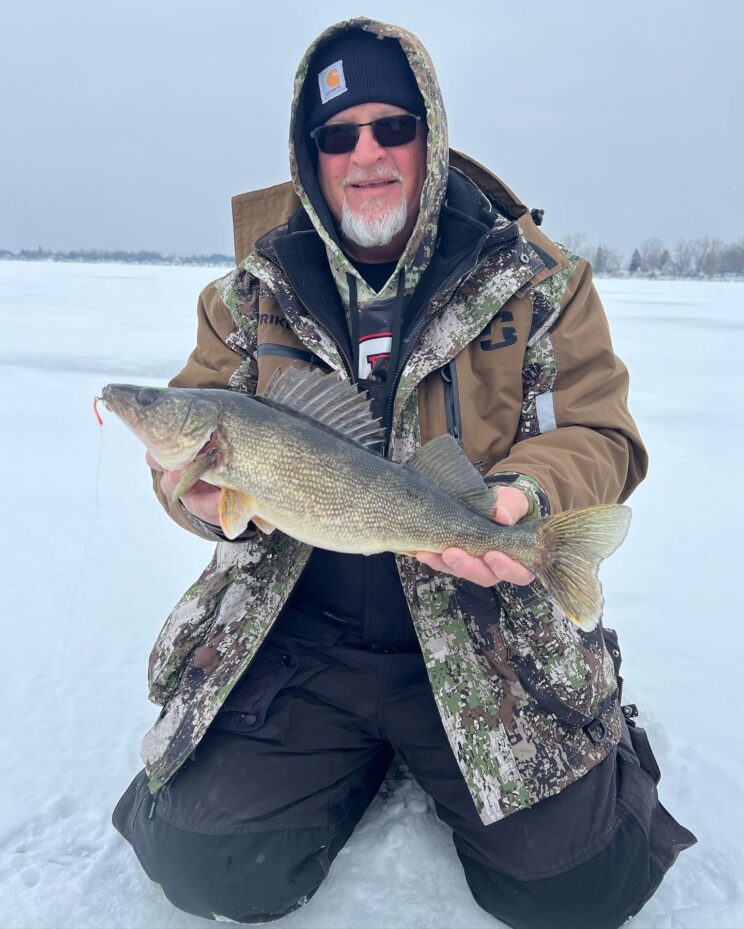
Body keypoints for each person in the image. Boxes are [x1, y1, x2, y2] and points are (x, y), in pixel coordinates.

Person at [112, 17, 695, 929]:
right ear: (311, 157)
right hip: (303, 636)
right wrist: (185, 491)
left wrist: (525, 499)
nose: (367, 154)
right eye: (338, 136)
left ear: (432, 132)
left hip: (479, 622)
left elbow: (600, 432)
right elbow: (188, 447)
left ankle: (584, 728)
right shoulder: (247, 294)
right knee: (213, 864)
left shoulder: (536, 280)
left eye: (392, 127)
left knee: (583, 883)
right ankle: (358, 755)